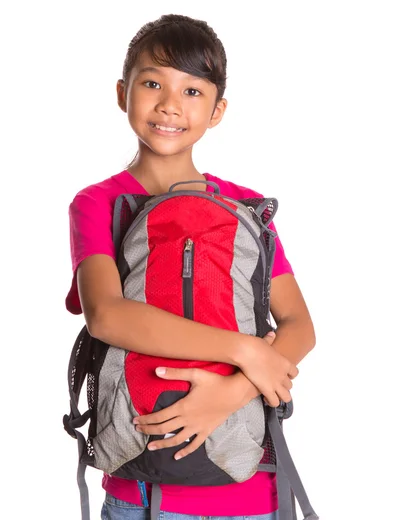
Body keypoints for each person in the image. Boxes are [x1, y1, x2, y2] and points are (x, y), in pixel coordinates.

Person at [66, 13, 316, 520]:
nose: (169, 105)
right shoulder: (99, 203)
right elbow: (107, 316)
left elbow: (299, 326)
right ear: (122, 92)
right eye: (152, 83)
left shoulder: (246, 207)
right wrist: (245, 350)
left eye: (193, 91)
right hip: (141, 495)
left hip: (251, 491)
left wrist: (231, 391)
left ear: (218, 110)